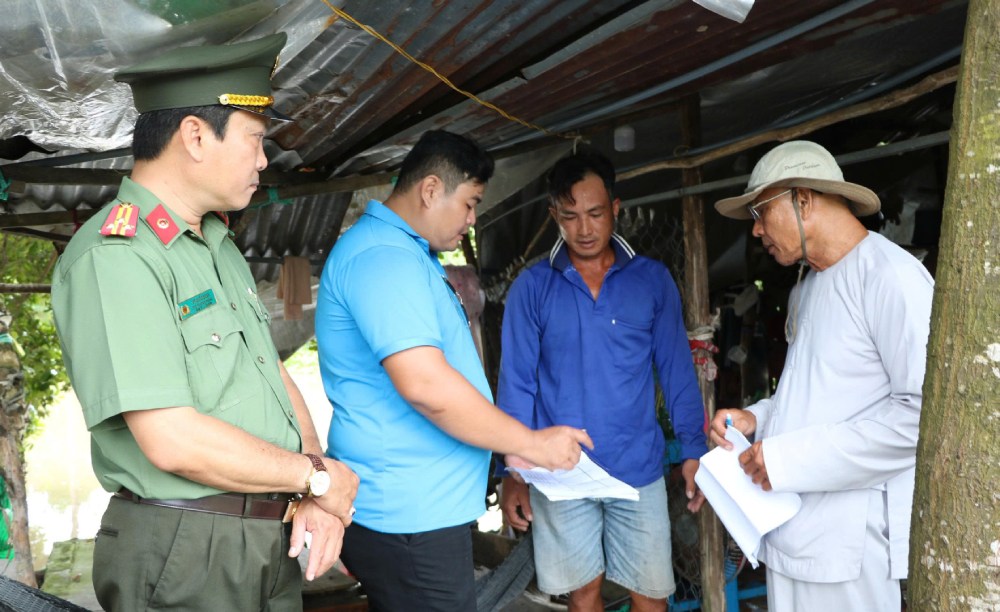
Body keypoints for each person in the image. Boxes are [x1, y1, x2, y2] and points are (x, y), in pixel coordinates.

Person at [51, 33, 359, 612]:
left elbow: (271, 373)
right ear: (195, 136)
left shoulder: (213, 244)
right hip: (186, 547)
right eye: (255, 140)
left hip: (265, 533)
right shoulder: (117, 255)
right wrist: (316, 480)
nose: (264, 160)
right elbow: (170, 439)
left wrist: (312, 480)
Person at [315, 129, 593, 612]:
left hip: (417, 512)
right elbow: (425, 386)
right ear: (429, 190)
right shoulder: (384, 259)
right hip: (406, 519)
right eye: (469, 203)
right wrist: (528, 443)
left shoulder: (405, 253)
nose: (471, 219)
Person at [710, 140, 933, 610]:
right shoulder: (808, 287)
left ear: (803, 199)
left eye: (760, 212)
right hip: (794, 528)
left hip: (850, 543)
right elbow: (814, 397)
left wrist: (788, 460)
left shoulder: (891, 277)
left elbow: (919, 419)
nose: (755, 230)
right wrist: (755, 419)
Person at [497, 149, 708, 612]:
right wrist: (512, 470)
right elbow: (517, 384)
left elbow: (676, 370)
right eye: (570, 216)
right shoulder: (533, 288)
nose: (585, 229)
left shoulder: (651, 281)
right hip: (560, 471)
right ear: (554, 214)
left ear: (616, 208)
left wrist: (694, 448)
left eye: (595, 213)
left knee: (652, 595)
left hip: (638, 467)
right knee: (583, 593)